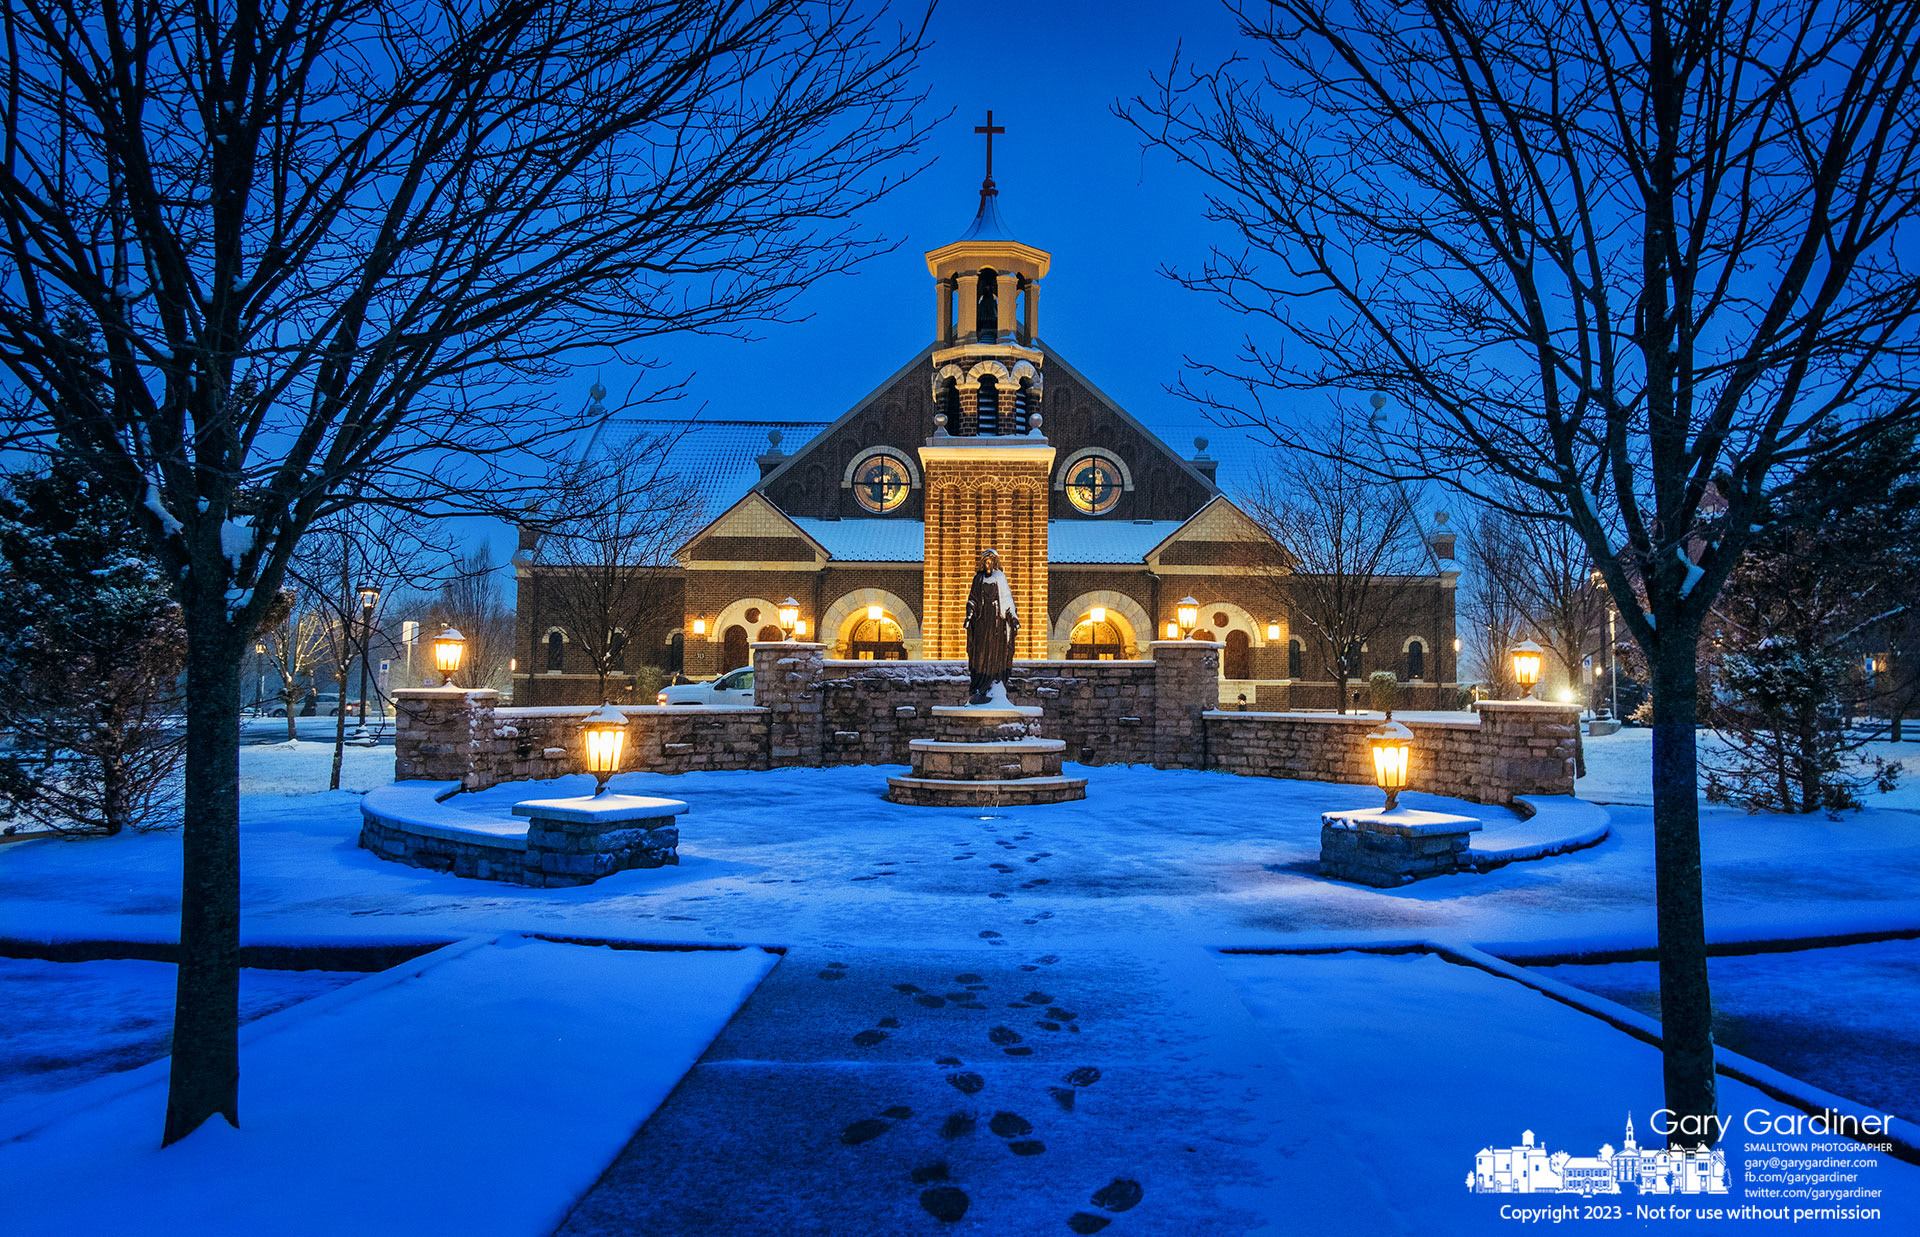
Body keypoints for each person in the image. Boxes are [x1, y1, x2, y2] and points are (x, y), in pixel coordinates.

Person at [964, 547, 1019, 704]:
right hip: (982, 622)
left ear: (995, 563)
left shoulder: (1000, 578)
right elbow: (972, 599)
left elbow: (1007, 601)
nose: (988, 564)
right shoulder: (978, 579)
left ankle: (994, 683)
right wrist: (969, 616)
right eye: (986, 561)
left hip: (997, 623)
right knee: (980, 654)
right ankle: (979, 685)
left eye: (991, 561)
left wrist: (1013, 619)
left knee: (995, 654)